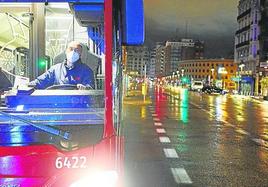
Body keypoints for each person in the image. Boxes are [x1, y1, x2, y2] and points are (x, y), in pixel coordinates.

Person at [29, 41, 95, 90]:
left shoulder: (87, 71)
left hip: (78, 105)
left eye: (77, 50)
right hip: (58, 104)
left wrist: (85, 88)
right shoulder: (55, 69)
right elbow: (40, 82)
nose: (73, 52)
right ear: (66, 51)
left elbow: (90, 88)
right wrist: (27, 85)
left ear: (80, 54)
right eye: (71, 49)